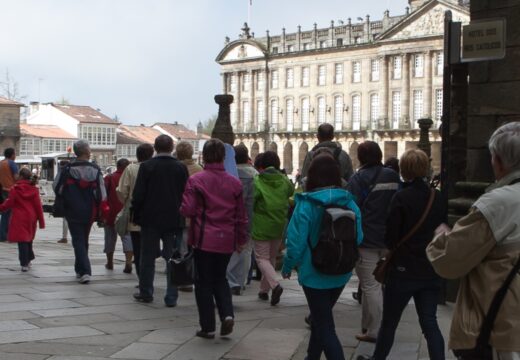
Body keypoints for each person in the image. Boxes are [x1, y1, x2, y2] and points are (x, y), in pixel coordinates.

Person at [427, 122, 520, 360]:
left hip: (502, 326)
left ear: (498, 161)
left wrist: (441, 237)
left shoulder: (499, 203)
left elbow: (449, 260)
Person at [358, 149, 446, 360]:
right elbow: (443, 228)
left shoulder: (402, 197)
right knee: (429, 323)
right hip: (430, 268)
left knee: (389, 324)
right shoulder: (439, 197)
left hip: (403, 270)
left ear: (404, 170)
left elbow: (391, 237)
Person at [282, 153, 363, 360]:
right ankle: (311, 356)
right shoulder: (349, 202)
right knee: (320, 319)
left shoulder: (306, 204)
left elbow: (295, 242)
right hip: (341, 271)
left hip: (313, 272)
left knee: (325, 325)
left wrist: (288, 265)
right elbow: (359, 237)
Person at [180, 138, 248, 339]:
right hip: (226, 239)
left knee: (203, 282)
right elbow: (241, 215)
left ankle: (208, 326)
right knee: (220, 278)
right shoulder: (234, 183)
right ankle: (227, 314)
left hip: (203, 238)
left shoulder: (196, 180)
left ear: (205, 156)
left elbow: (188, 209)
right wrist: (241, 239)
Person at [346, 141, 400, 342]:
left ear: (360, 158)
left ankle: (377, 330)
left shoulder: (358, 178)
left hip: (366, 238)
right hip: (389, 238)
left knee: (370, 285)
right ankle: (368, 327)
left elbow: (351, 208)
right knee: (378, 284)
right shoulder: (393, 176)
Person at [131, 135, 188, 307]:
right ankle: (171, 297)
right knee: (173, 259)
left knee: (147, 258)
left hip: (151, 219)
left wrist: (137, 214)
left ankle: (146, 292)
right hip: (173, 219)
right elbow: (186, 193)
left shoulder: (147, 166)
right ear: (172, 148)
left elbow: (139, 194)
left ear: (155, 148)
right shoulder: (180, 167)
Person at [53, 140, 107, 284]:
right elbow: (102, 192)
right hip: (90, 210)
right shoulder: (95, 169)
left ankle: (84, 271)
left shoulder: (67, 169)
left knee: (78, 239)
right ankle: (81, 269)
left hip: (72, 209)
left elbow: (57, 187)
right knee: (84, 239)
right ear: (86, 151)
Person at [253, 151, 294, 306]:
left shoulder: (257, 180)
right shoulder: (284, 180)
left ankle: (275, 285)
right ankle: (264, 291)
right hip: (279, 223)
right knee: (270, 257)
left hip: (262, 224)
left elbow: (253, 199)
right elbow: (290, 192)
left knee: (261, 259)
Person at [116, 144, 154, 279]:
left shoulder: (131, 169)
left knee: (138, 250)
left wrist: (126, 202)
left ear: (137, 155)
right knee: (150, 250)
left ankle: (142, 279)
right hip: (154, 217)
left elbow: (121, 190)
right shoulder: (155, 168)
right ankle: (148, 278)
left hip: (135, 216)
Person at [227, 144, 257, 295]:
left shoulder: (230, 175)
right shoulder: (255, 175)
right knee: (246, 251)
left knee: (232, 251)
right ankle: (240, 281)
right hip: (250, 219)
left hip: (231, 219)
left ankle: (231, 281)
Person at [0, 168, 45, 271]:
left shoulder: (15, 189)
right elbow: (38, 206)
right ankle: (29, 259)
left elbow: (9, 203)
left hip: (19, 217)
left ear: (20, 176)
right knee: (29, 238)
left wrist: (1, 207)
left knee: (22, 240)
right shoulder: (34, 189)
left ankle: (24, 263)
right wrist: (41, 222)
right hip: (31, 218)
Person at [175, 141, 203, 292]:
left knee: (182, 247)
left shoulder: (175, 168)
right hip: (197, 215)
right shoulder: (199, 169)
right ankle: (196, 275)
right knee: (196, 248)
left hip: (180, 214)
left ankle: (185, 280)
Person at [300, 123, 354, 187]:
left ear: (318, 136)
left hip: (316, 195)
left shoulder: (311, 155)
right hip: (337, 194)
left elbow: (304, 180)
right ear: (333, 136)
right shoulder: (343, 155)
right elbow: (350, 180)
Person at [103, 158, 131, 273]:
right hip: (126, 212)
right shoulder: (131, 178)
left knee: (110, 237)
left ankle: (110, 262)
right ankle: (128, 262)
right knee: (127, 237)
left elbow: (103, 195)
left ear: (117, 166)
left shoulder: (109, 177)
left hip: (111, 212)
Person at [0, 148, 19, 241]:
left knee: (4, 212)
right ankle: (6, 235)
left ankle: (3, 235)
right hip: (10, 190)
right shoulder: (11, 163)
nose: (15, 156)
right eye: (15, 154)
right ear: (11, 155)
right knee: (10, 213)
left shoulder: (1, 163)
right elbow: (16, 178)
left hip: (2, 189)